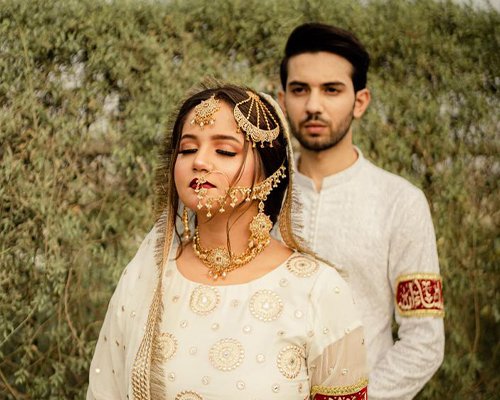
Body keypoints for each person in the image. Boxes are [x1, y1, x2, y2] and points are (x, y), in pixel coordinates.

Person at [87, 83, 369, 400]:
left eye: (224, 151)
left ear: (269, 173)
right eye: (187, 149)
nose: (200, 161)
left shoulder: (316, 290)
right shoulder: (147, 278)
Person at [277, 23, 445, 399]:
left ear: (360, 101)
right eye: (300, 90)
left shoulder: (400, 202)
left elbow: (424, 340)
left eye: (331, 89)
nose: (313, 105)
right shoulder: (259, 197)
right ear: (282, 99)